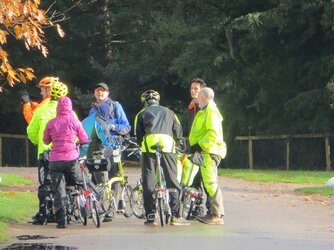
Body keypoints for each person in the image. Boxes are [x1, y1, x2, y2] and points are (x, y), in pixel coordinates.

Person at [134, 89, 189, 226]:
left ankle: (151, 215)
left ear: (145, 102)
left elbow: (138, 135)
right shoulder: (170, 112)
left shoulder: (141, 113)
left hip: (149, 146)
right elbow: (178, 131)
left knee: (148, 180)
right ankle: (176, 215)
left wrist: (142, 145)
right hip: (167, 146)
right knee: (172, 179)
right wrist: (177, 142)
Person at [27, 80, 69, 224]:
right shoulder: (68, 111)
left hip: (45, 152)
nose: (40, 92)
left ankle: (44, 213)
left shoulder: (41, 110)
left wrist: (37, 141)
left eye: (43, 89)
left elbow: (31, 130)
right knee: (62, 182)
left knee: (46, 183)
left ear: (49, 91)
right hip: (64, 153)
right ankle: (61, 213)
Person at [43, 96, 89, 228]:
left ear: (58, 108)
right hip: (71, 159)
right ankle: (83, 208)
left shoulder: (51, 123)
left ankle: (61, 221)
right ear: (70, 108)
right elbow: (84, 139)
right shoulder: (75, 122)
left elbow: (46, 141)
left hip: (55, 161)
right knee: (78, 182)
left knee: (58, 190)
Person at [189, 87, 227, 225]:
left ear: (203, 97)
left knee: (210, 183)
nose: (197, 99)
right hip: (206, 151)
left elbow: (212, 133)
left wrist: (199, 145)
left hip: (208, 152)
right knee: (208, 182)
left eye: (198, 97)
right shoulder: (206, 111)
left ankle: (217, 214)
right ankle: (213, 213)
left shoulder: (210, 111)